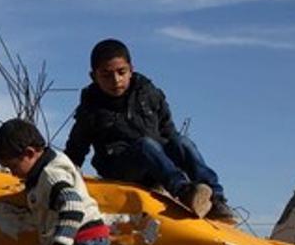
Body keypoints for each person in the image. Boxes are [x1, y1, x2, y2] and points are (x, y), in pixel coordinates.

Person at [64, 38, 233, 221]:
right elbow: (75, 150)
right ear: (94, 76)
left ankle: (216, 200)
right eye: (106, 75)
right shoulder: (91, 109)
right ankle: (185, 193)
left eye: (121, 72)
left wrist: (176, 154)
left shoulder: (148, 93)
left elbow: (168, 132)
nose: (116, 80)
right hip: (121, 168)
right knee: (146, 145)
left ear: (131, 69)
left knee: (182, 142)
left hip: (157, 165)